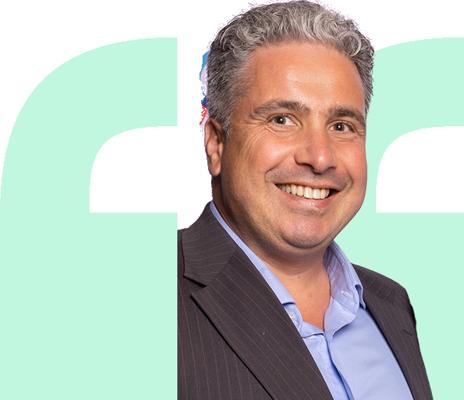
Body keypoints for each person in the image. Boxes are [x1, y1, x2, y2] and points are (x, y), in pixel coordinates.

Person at [178, 1, 432, 399]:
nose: (320, 157)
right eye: (282, 119)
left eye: (341, 126)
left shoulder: (391, 304)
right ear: (216, 143)